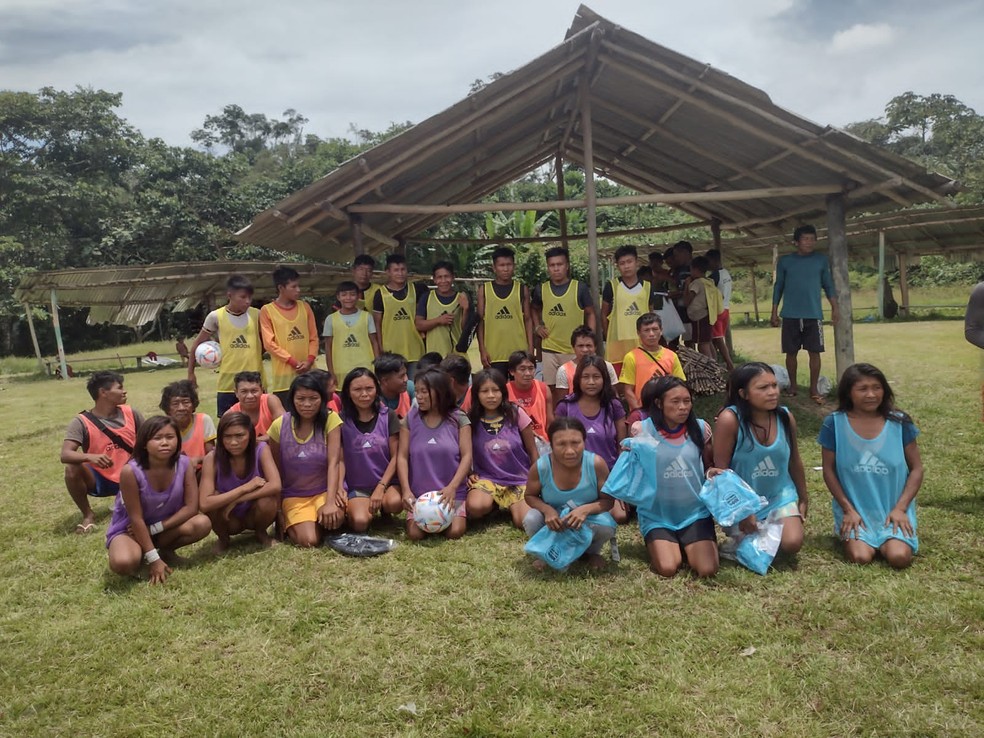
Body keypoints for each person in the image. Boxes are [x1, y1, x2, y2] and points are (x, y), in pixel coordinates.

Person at [819, 363, 922, 569]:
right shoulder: (834, 423)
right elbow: (828, 470)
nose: (871, 394)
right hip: (856, 509)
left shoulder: (899, 422)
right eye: (862, 389)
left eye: (877, 387)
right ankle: (854, 531)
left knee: (899, 557)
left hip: (892, 508)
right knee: (860, 557)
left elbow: (917, 469)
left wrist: (900, 509)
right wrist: (848, 510)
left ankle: (892, 534)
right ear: (849, 393)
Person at [712, 363, 808, 555]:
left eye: (774, 385)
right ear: (743, 393)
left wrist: (803, 498)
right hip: (744, 502)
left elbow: (794, 460)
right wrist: (743, 511)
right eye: (763, 388)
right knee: (756, 553)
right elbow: (721, 474)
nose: (773, 392)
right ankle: (740, 540)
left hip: (780, 497)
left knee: (792, 544)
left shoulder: (785, 417)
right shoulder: (730, 419)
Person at [105, 416, 211, 584]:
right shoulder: (130, 472)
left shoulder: (184, 464)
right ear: (144, 443)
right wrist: (153, 559)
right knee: (123, 563)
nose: (164, 442)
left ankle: (166, 552)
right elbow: (136, 519)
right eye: (157, 438)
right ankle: (145, 554)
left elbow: (191, 508)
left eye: (170, 437)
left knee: (202, 523)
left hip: (163, 527)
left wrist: (154, 528)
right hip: (130, 530)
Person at [636, 377, 719, 578]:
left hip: (694, 514)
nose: (683, 407)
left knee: (707, 569)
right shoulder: (642, 431)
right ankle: (669, 542)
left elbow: (708, 465)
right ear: (659, 403)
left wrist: (711, 473)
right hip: (657, 515)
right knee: (668, 568)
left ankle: (688, 541)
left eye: (687, 401)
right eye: (675, 401)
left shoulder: (700, 429)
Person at [523, 417, 616, 571]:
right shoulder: (541, 467)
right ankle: (546, 552)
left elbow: (608, 501)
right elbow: (530, 496)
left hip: (585, 520)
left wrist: (584, 510)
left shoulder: (596, 464)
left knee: (606, 525)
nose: (570, 451)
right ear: (551, 445)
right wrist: (547, 511)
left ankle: (591, 552)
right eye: (561, 444)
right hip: (554, 523)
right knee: (532, 519)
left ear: (584, 442)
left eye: (575, 443)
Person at [61, 371, 144, 534]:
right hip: (101, 478)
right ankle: (87, 514)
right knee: (72, 467)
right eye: (119, 388)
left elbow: (149, 440)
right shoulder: (81, 422)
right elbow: (65, 454)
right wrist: (90, 457)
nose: (124, 391)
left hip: (132, 474)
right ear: (103, 392)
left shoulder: (132, 413)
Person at [267, 374, 343, 547]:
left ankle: (322, 519)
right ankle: (298, 523)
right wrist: (278, 509)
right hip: (294, 495)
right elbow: (276, 471)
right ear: (292, 399)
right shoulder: (279, 426)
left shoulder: (331, 420)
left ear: (322, 399)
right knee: (309, 541)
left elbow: (334, 463)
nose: (307, 404)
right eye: (300, 399)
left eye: (313, 398)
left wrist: (331, 502)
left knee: (335, 518)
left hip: (324, 491)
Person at [397, 368, 473, 540]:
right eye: (416, 391)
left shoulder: (459, 418)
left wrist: (452, 487)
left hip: (451, 493)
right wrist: (406, 491)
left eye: (424, 391)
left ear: (440, 391)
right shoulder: (410, 419)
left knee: (454, 532)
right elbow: (402, 457)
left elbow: (467, 456)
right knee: (415, 534)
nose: (419, 396)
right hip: (420, 495)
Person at [771, 225, 840, 403]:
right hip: (790, 315)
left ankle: (813, 388)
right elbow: (778, 286)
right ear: (796, 242)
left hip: (813, 314)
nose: (809, 242)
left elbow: (828, 284)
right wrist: (774, 311)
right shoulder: (785, 262)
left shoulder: (820, 260)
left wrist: (835, 307)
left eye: (812, 239)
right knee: (791, 352)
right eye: (805, 239)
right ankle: (793, 386)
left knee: (815, 352)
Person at [198, 412, 281, 552]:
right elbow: (204, 504)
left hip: (253, 513)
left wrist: (238, 499)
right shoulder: (212, 458)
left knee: (267, 499)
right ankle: (223, 539)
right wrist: (245, 488)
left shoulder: (261, 449)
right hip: (228, 517)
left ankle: (261, 532)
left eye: (239, 436)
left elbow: (276, 485)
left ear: (250, 434)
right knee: (214, 498)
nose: (233, 442)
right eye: (227, 437)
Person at [466, 369, 538, 528]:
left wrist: (537, 480)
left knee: (524, 522)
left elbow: (533, 450)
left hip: (519, 478)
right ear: (476, 394)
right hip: (488, 478)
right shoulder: (471, 420)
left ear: (503, 392)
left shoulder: (516, 413)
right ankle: (492, 505)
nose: (491, 395)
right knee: (475, 507)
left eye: (495, 390)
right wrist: (469, 474)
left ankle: (514, 505)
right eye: (484, 391)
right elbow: (464, 453)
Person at [188, 274, 264, 416]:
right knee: (229, 426)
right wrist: (191, 373)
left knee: (258, 425)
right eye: (242, 297)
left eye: (250, 297)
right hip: (228, 384)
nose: (247, 301)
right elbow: (196, 344)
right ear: (230, 295)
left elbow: (266, 343)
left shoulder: (258, 315)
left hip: (255, 382)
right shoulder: (216, 316)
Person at [338, 368, 403, 532]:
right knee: (360, 523)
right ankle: (358, 509)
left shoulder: (388, 416)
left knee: (394, 503)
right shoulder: (340, 420)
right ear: (348, 392)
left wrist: (381, 487)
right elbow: (339, 460)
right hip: (357, 486)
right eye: (357, 390)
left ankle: (384, 510)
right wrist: (340, 486)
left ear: (377, 389)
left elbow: (397, 456)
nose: (364, 394)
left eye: (369, 388)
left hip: (386, 483)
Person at [531, 247, 596, 391]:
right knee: (551, 388)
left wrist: (589, 337)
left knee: (577, 387)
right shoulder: (541, 289)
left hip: (574, 350)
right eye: (552, 265)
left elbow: (590, 313)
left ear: (566, 266)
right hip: (550, 348)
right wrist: (537, 327)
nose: (556, 269)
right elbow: (534, 308)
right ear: (548, 267)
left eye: (559, 264)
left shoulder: (580, 288)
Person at [259, 266, 320, 405]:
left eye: (298, 286)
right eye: (293, 286)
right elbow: (269, 344)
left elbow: (314, 338)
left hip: (310, 372)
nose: (298, 290)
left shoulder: (305, 307)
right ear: (281, 288)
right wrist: (293, 362)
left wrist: (309, 361)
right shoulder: (267, 311)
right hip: (284, 378)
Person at [555, 355, 626, 471]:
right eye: (586, 377)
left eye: (596, 377)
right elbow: (558, 445)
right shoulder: (565, 407)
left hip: (610, 476)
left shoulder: (613, 405)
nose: (591, 382)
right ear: (578, 379)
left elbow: (621, 446)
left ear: (604, 379)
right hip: (575, 476)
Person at [602, 244, 661, 374]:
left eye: (629, 262)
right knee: (618, 379)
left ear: (637, 262)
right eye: (622, 263)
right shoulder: (612, 286)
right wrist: (608, 337)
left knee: (643, 375)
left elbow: (651, 314)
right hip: (617, 342)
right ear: (617, 266)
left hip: (641, 340)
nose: (626, 266)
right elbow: (604, 314)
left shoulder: (647, 287)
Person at [476, 246, 534, 375]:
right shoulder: (484, 290)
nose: (506, 269)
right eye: (501, 265)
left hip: (519, 352)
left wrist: (530, 348)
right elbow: (480, 322)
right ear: (494, 267)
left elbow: (528, 319)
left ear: (514, 266)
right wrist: (482, 350)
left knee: (520, 392)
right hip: (494, 353)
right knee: (497, 392)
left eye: (509, 264)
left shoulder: (522, 289)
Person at [618, 313, 686, 413]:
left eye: (655, 329)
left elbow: (680, 385)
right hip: (643, 411)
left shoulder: (671, 356)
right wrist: (639, 413)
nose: (651, 334)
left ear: (661, 330)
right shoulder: (631, 357)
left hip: (667, 412)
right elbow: (628, 390)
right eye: (646, 330)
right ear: (638, 333)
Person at [373, 253, 426, 377]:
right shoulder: (380, 294)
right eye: (396, 270)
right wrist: (381, 348)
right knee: (396, 387)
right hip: (391, 350)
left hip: (415, 348)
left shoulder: (416, 290)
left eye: (403, 269)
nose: (400, 273)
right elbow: (377, 323)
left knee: (415, 387)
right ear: (388, 272)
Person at [323, 280, 380, 381]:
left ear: (358, 296)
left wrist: (377, 366)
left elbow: (374, 342)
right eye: (344, 295)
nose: (348, 298)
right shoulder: (330, 319)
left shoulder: (367, 317)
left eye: (352, 294)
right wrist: (331, 372)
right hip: (340, 370)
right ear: (338, 297)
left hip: (365, 368)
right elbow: (328, 347)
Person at [415, 260, 471, 358]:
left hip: (457, 357)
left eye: (447, 276)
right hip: (434, 357)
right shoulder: (427, 297)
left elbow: (465, 330)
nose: (443, 281)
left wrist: (466, 309)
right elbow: (419, 324)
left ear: (453, 277)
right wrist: (439, 320)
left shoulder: (461, 298)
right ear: (434, 279)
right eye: (439, 277)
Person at [159, 380, 216, 470]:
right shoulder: (163, 427)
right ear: (168, 408)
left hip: (201, 472)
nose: (181, 408)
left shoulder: (203, 420)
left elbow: (212, 455)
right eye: (175, 404)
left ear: (193, 405)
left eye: (186, 402)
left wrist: (197, 460)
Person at [554, 325, 619, 405]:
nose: (585, 350)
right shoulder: (563, 370)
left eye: (588, 346)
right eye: (580, 346)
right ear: (573, 347)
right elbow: (562, 402)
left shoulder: (607, 366)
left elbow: (614, 395)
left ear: (595, 347)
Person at [506, 350, 553, 447]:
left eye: (531, 368)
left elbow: (550, 423)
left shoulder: (543, 389)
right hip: (517, 445)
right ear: (511, 371)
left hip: (543, 443)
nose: (527, 373)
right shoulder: (505, 392)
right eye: (522, 369)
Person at [683, 255, 722, 361]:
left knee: (702, 345)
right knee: (707, 342)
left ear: (695, 269)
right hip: (707, 315)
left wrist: (687, 285)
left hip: (699, 317)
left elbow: (687, 301)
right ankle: (715, 364)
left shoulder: (697, 283)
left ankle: (709, 366)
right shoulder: (709, 282)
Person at [227, 371, 285, 441]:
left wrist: (254, 442)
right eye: (244, 391)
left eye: (254, 391)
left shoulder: (270, 401)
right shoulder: (230, 415)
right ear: (236, 393)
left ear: (262, 390)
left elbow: (285, 428)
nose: (250, 396)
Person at [706, 249, 735, 371]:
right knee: (714, 338)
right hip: (726, 308)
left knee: (717, 339)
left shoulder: (714, 277)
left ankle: (729, 363)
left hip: (717, 310)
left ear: (714, 260)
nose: (707, 264)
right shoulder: (726, 273)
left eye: (708, 261)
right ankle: (715, 364)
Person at [374, 352, 415, 418]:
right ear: (385, 381)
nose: (406, 379)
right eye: (402, 376)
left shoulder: (409, 387)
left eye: (405, 374)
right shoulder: (372, 398)